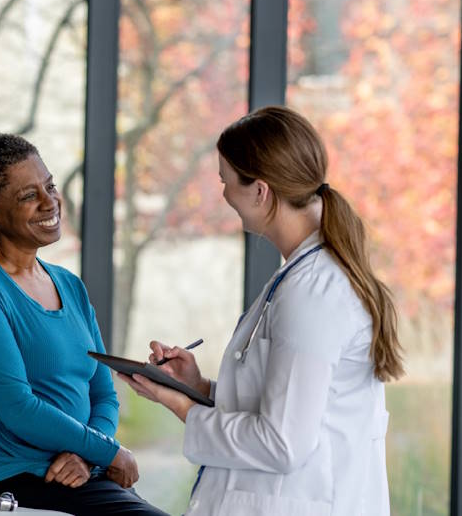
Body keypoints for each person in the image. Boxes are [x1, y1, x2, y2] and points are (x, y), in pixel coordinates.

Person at [119, 106, 404, 516]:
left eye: (226, 181)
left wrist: (182, 407)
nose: (224, 195)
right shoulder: (301, 276)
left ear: (260, 191)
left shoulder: (312, 293)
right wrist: (198, 387)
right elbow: (284, 402)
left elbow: (281, 443)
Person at [0, 134, 166, 516]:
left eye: (49, 186)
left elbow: (103, 394)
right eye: (28, 195)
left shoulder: (70, 285)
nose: (49, 201)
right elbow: (17, 406)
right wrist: (109, 452)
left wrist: (88, 455)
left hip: (70, 471)